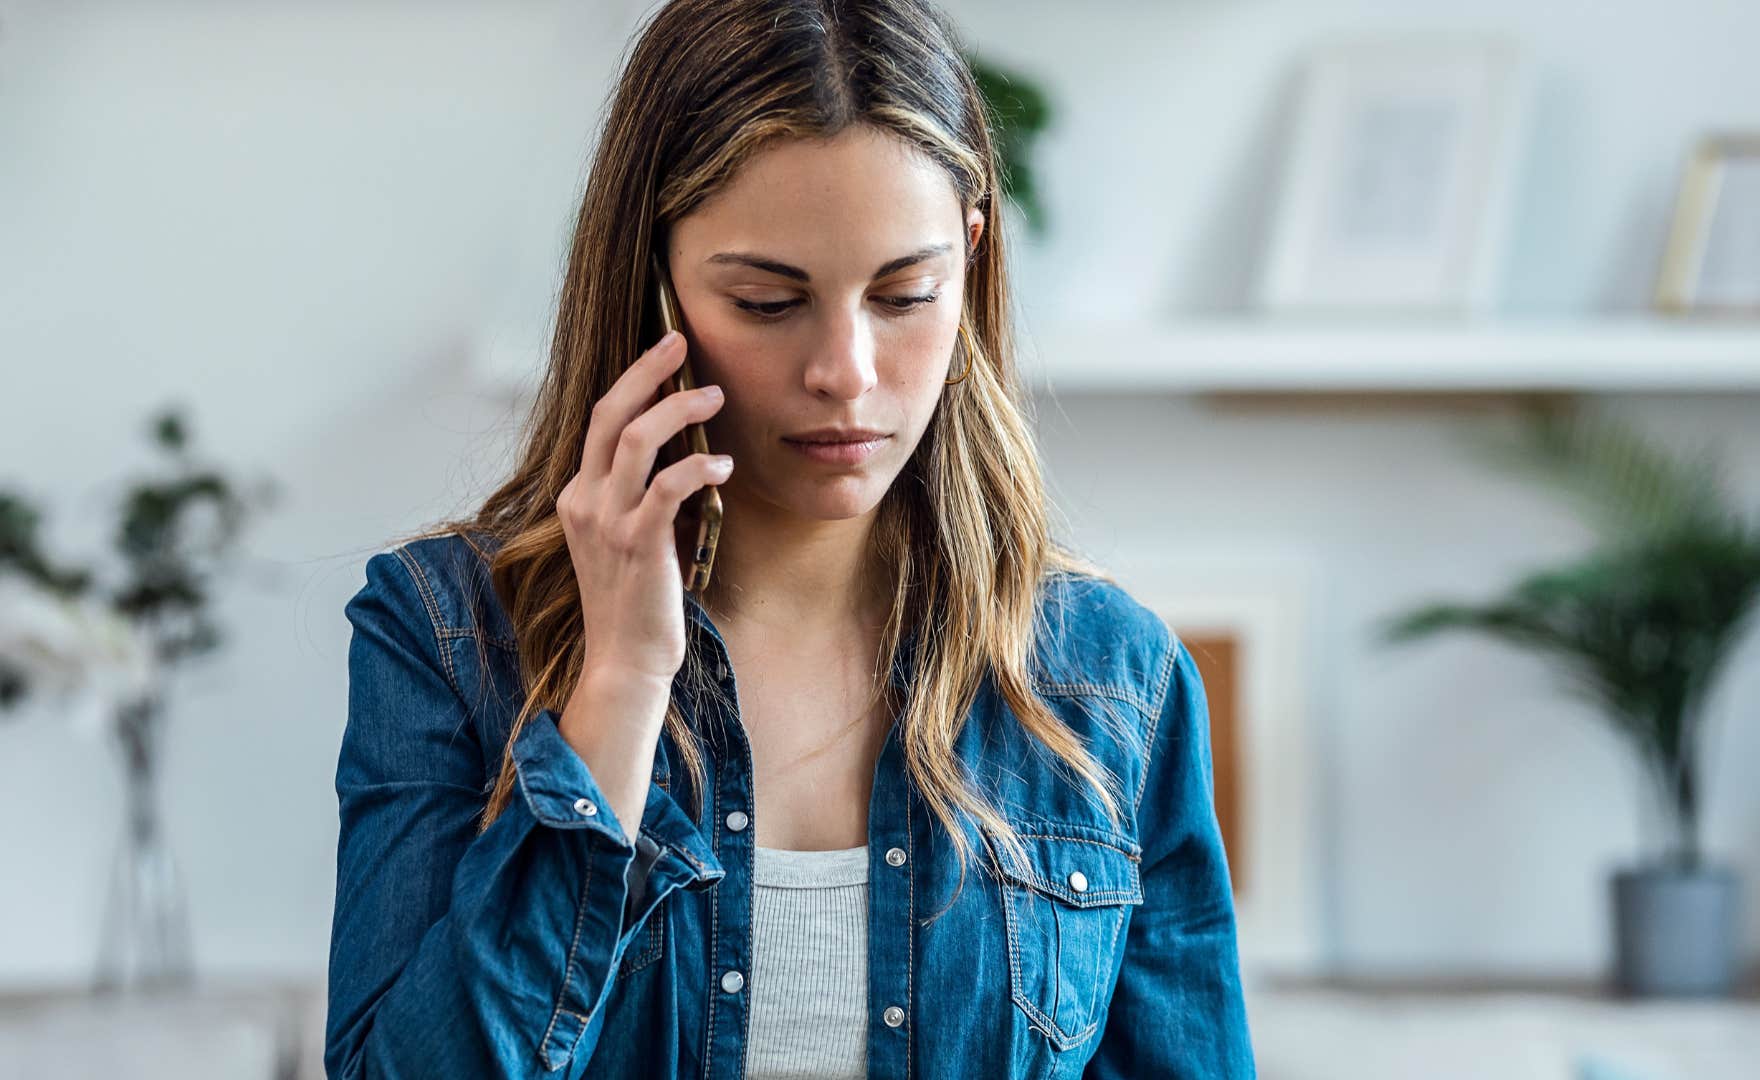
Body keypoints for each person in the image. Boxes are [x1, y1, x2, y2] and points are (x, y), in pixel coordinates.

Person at [324, 0, 1255, 1076]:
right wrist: (619, 690)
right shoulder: (445, 639)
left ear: (972, 258)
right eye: (769, 302)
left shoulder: (1114, 679)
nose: (846, 374)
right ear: (652, 280)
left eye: (906, 293)